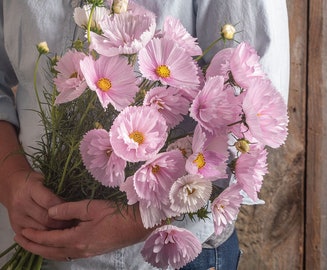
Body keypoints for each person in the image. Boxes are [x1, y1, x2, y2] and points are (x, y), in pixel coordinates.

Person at [0, 0, 290, 269]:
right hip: (26, 234)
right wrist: (10, 177)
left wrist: (136, 222)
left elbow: (255, 112)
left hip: (162, 252)